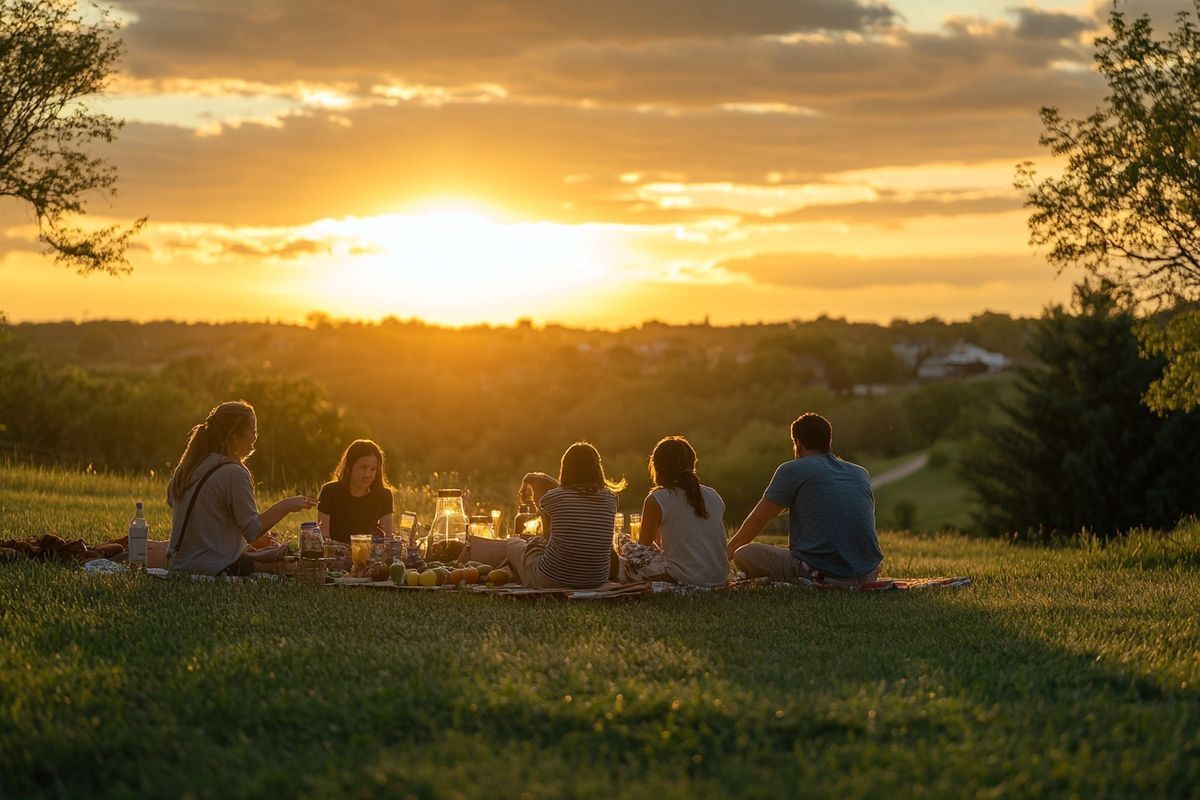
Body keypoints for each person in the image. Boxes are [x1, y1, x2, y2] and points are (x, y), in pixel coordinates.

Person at [726, 413, 883, 586]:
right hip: (868, 573)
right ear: (827, 441)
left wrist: (724, 554)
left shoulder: (793, 469)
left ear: (798, 443)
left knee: (744, 553)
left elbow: (756, 521)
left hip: (824, 574)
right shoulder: (860, 473)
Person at [166, 400, 315, 576]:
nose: (256, 436)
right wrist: (287, 505)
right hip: (213, 568)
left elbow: (175, 503)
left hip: (177, 564)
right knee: (288, 565)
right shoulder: (234, 473)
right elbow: (253, 530)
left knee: (266, 555)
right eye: (252, 431)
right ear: (235, 438)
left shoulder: (189, 466)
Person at [500, 442, 626, 589]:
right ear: (598, 469)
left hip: (551, 578)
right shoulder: (611, 499)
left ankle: (507, 571)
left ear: (565, 469)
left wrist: (538, 478)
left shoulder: (553, 497)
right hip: (597, 579)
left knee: (514, 543)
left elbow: (547, 538)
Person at [619, 436, 730, 587]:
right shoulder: (713, 495)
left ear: (657, 467)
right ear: (692, 464)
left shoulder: (658, 499)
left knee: (624, 546)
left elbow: (643, 547)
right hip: (718, 577)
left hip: (684, 578)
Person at [317, 439, 395, 544]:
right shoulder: (330, 491)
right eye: (363, 467)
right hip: (335, 555)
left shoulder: (383, 495)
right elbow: (324, 538)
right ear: (349, 467)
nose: (367, 474)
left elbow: (388, 537)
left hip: (368, 555)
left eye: (373, 469)